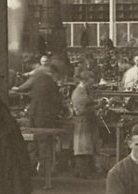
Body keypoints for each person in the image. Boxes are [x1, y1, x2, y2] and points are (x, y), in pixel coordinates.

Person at [14, 56, 65, 185]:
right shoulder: (50, 82)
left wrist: (17, 89)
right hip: (45, 115)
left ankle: (30, 168)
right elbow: (56, 100)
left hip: (33, 113)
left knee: (32, 142)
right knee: (44, 141)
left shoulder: (37, 78)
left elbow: (23, 87)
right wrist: (61, 106)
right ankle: (44, 170)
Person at [67, 76, 100, 177]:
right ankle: (82, 172)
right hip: (82, 122)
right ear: (84, 81)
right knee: (82, 148)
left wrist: (95, 102)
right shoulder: (79, 92)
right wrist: (97, 106)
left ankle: (84, 172)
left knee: (86, 147)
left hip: (86, 122)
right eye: (90, 83)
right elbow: (81, 110)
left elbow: (86, 103)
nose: (91, 85)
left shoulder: (83, 90)